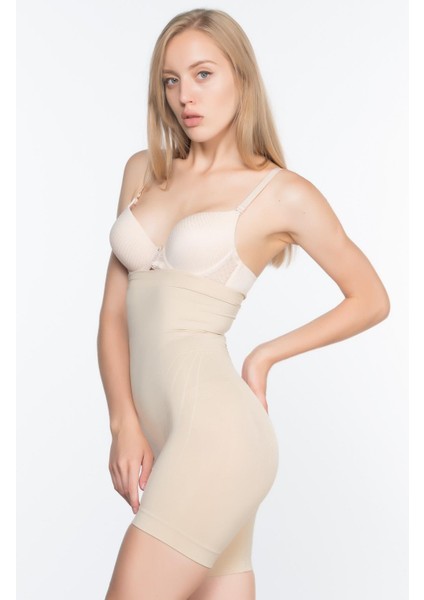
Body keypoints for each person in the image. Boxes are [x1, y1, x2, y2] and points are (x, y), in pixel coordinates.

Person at [97, 7, 390, 600]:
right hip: (169, 435)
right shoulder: (143, 172)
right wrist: (123, 421)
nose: (185, 96)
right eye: (171, 80)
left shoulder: (280, 193)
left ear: (242, 78)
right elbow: (112, 317)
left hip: (220, 437)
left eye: (203, 74)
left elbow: (371, 298)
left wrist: (263, 357)